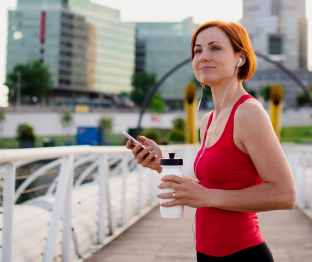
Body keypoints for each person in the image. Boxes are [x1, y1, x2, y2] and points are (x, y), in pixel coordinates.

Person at [126, 21, 296, 261]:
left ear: (241, 58)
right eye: (197, 50)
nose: (203, 56)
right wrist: (162, 163)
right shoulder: (208, 120)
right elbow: (211, 186)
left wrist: (208, 197)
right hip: (206, 253)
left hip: (242, 254)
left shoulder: (248, 113)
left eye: (215, 48)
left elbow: (285, 194)